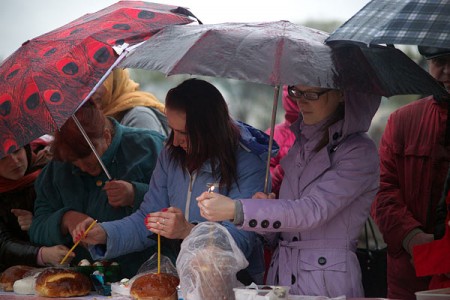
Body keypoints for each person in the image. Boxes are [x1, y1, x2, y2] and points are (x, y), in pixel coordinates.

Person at [72, 78, 278, 284]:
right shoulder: (172, 154)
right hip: (185, 278)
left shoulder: (250, 162)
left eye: (184, 134)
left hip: (235, 284)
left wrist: (188, 230)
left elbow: (242, 241)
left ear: (210, 129)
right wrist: (104, 233)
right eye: (172, 130)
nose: (176, 141)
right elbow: (148, 219)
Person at [197, 84, 381, 297]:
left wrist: (239, 209)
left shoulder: (359, 151)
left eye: (311, 94)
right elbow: (288, 232)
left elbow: (311, 211)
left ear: (341, 94)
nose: (301, 101)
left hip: (327, 283)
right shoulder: (303, 144)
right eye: (296, 92)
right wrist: (265, 211)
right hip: (282, 277)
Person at [29, 101, 165, 277]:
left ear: (107, 136)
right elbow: (36, 227)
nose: (83, 167)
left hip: (147, 276)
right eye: (74, 162)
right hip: (81, 283)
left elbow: (178, 204)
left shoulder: (150, 148)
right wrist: (65, 220)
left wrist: (135, 194)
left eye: (86, 157)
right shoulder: (56, 169)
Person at [371, 46, 450, 299]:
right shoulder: (402, 121)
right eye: (438, 61)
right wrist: (410, 236)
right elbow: (381, 189)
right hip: (408, 274)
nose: (446, 71)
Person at [0, 139, 75, 270]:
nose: (14, 161)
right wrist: (41, 254)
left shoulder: (49, 173)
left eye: (16, 150)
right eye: (3, 157)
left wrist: (38, 223)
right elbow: (3, 244)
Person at [93, 68, 169, 135]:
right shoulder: (91, 120)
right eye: (83, 80)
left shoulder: (139, 116)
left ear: (114, 78)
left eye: (98, 78)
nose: (92, 89)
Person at [266, 86, 299, 197]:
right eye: (296, 93)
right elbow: (261, 179)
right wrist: (281, 171)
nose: (303, 100)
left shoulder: (333, 134)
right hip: (279, 207)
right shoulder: (275, 135)